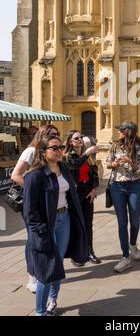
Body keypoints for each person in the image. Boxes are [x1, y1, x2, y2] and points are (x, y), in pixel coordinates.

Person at [23, 135, 87, 316]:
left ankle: (53, 299)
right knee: (46, 270)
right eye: (55, 148)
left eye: (60, 147)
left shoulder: (64, 168)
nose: (60, 151)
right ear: (43, 152)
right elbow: (30, 211)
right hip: (46, 226)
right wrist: (41, 231)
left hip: (64, 219)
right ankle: (40, 312)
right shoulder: (35, 175)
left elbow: (70, 195)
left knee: (58, 264)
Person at [11, 124, 60, 293]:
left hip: (48, 202)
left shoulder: (50, 153)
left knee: (44, 237)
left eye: (57, 134)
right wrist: (35, 190)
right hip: (33, 203)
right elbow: (15, 175)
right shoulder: (31, 152)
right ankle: (32, 276)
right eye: (52, 134)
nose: (56, 137)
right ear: (43, 135)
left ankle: (44, 269)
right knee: (34, 238)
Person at [106, 122, 140, 273]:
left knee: (135, 221)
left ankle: (133, 243)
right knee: (122, 222)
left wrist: (131, 162)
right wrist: (114, 163)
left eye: (121, 130)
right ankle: (125, 257)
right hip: (117, 186)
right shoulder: (115, 146)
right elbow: (107, 163)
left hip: (135, 186)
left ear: (128, 132)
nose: (118, 132)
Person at [64, 130, 102, 266]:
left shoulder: (89, 157)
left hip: (87, 191)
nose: (80, 139)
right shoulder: (68, 156)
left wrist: (93, 189)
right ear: (70, 142)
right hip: (75, 192)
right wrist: (87, 153)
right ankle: (77, 254)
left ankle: (89, 251)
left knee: (88, 224)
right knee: (76, 224)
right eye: (76, 138)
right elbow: (75, 165)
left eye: (81, 137)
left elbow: (95, 174)